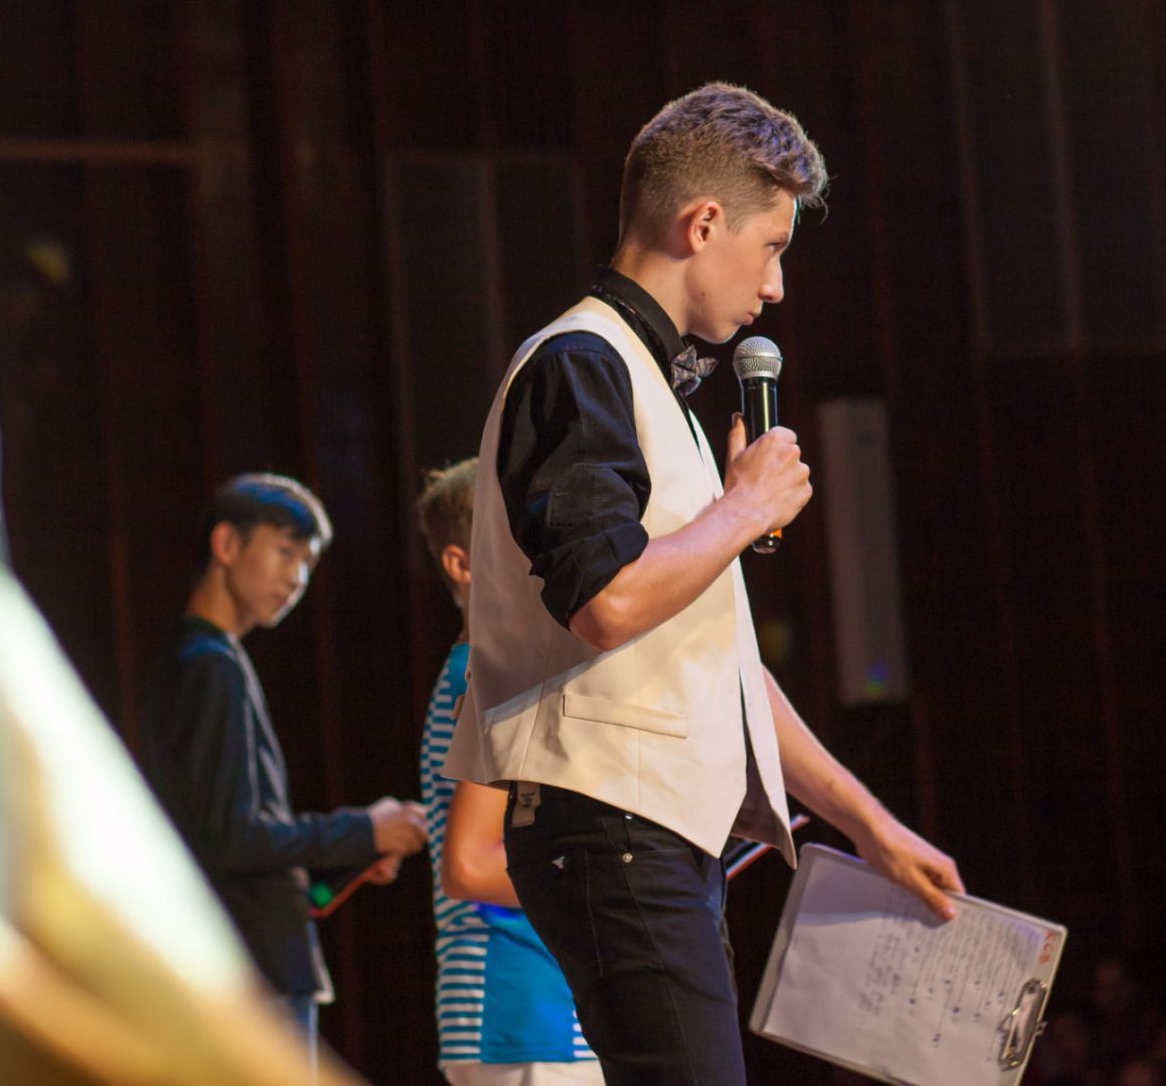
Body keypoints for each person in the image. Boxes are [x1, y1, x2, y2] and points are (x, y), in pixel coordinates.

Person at [445, 81, 964, 1084]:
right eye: (771, 247)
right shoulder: (581, 362)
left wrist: (869, 823)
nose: (775, 286)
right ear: (704, 222)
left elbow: (716, 663)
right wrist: (742, 509)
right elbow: (604, 601)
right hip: (610, 823)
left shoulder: (654, 391)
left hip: (649, 831)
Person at [137, 472, 428, 1070]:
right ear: (227, 544)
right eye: (285, 551)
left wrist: (354, 853)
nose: (296, 578)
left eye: (307, 563)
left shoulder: (199, 659)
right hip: (257, 969)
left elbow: (224, 835)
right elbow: (232, 838)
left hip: (240, 960)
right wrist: (363, 829)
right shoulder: (210, 666)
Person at [416, 459, 603, 1085]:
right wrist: (608, 877)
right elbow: (471, 867)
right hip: (519, 1009)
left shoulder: (484, 669)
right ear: (461, 564)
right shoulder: (488, 671)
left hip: (531, 1011)